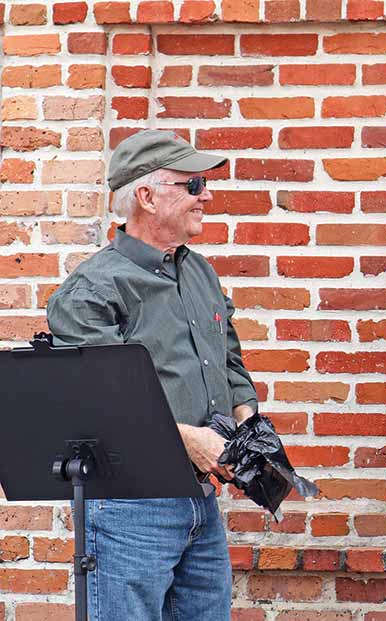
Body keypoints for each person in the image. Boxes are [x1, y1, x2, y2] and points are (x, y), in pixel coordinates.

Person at [46, 130, 256, 620]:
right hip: (130, 509)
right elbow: (107, 404)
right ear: (146, 195)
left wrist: (246, 423)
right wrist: (192, 441)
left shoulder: (200, 272)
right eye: (193, 184)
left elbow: (229, 360)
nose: (207, 195)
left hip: (201, 504)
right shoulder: (91, 291)